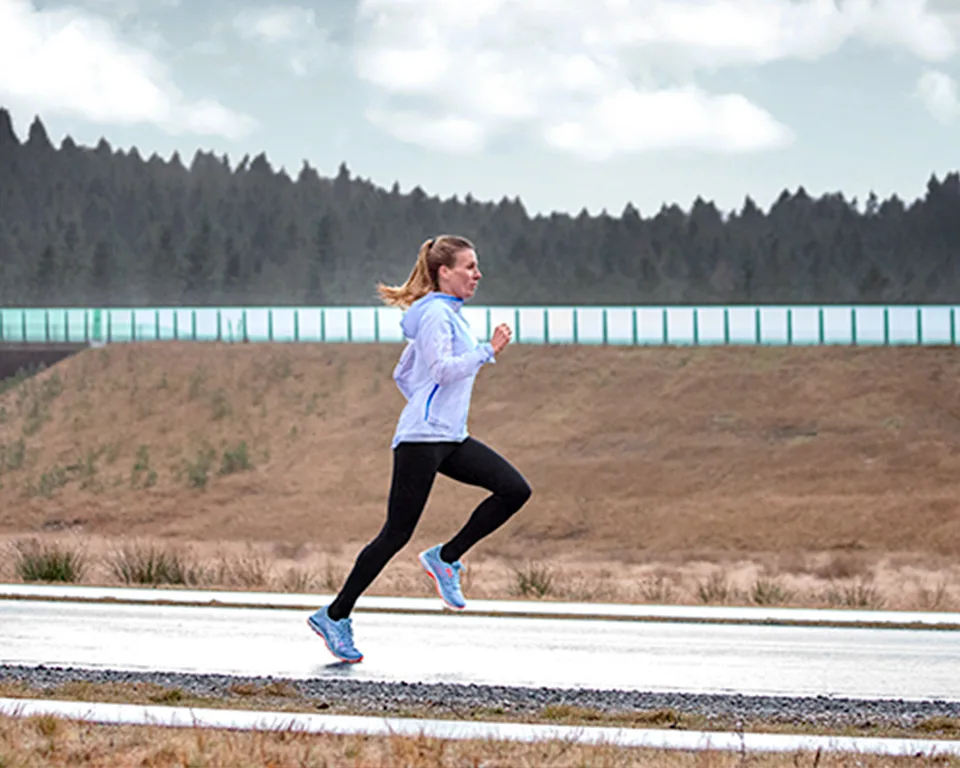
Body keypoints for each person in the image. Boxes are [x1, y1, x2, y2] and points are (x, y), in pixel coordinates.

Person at [307, 234, 532, 663]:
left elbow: (404, 373)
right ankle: (334, 616)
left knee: (514, 490)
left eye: (476, 267)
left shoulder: (447, 315)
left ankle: (445, 557)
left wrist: (428, 404)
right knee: (395, 533)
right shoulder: (434, 315)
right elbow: (443, 371)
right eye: (469, 267)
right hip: (422, 440)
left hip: (450, 436)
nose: (477, 274)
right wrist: (487, 351)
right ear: (444, 272)